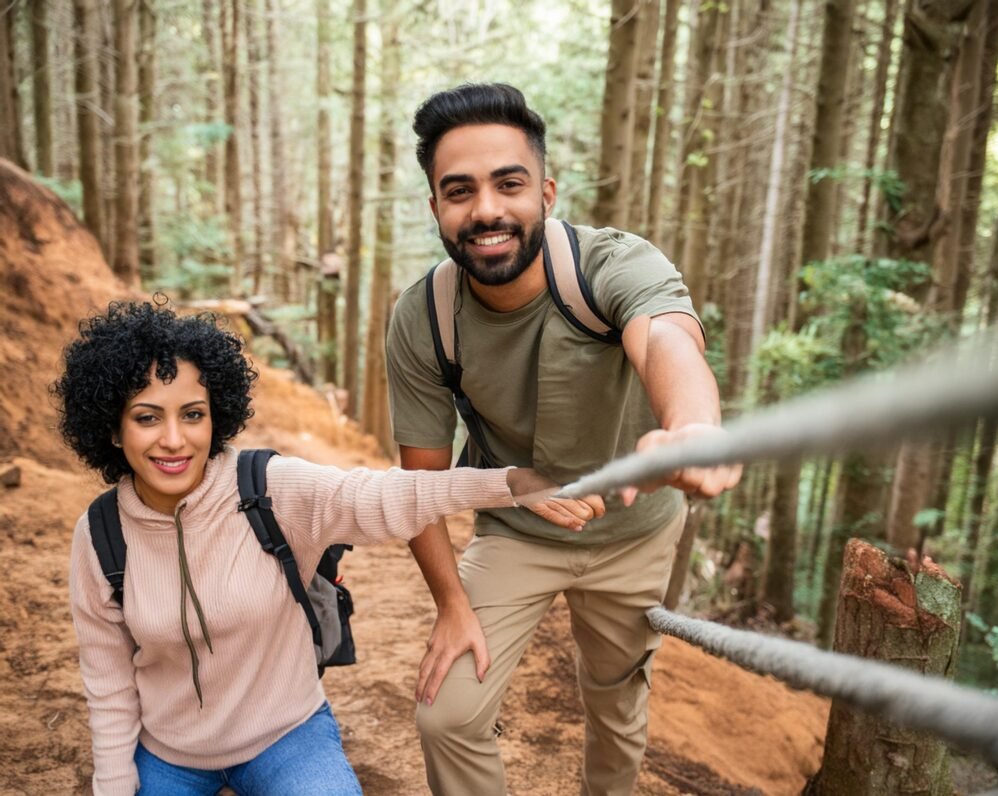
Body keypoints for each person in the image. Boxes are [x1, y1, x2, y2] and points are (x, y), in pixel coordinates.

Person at [55, 300, 602, 796]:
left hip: (287, 735)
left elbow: (386, 495)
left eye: (192, 414)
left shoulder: (268, 489)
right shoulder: (100, 536)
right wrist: (114, 785)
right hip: (168, 756)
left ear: (215, 416)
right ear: (111, 429)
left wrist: (506, 484)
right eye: (147, 417)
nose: (174, 439)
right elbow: (107, 682)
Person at [385, 83, 742, 796]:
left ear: (545, 190)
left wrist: (694, 427)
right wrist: (452, 605)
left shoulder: (611, 265)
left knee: (616, 704)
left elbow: (668, 338)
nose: (486, 209)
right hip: (517, 533)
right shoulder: (425, 317)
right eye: (459, 192)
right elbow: (417, 488)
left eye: (507, 184)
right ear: (436, 208)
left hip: (636, 535)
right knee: (445, 716)